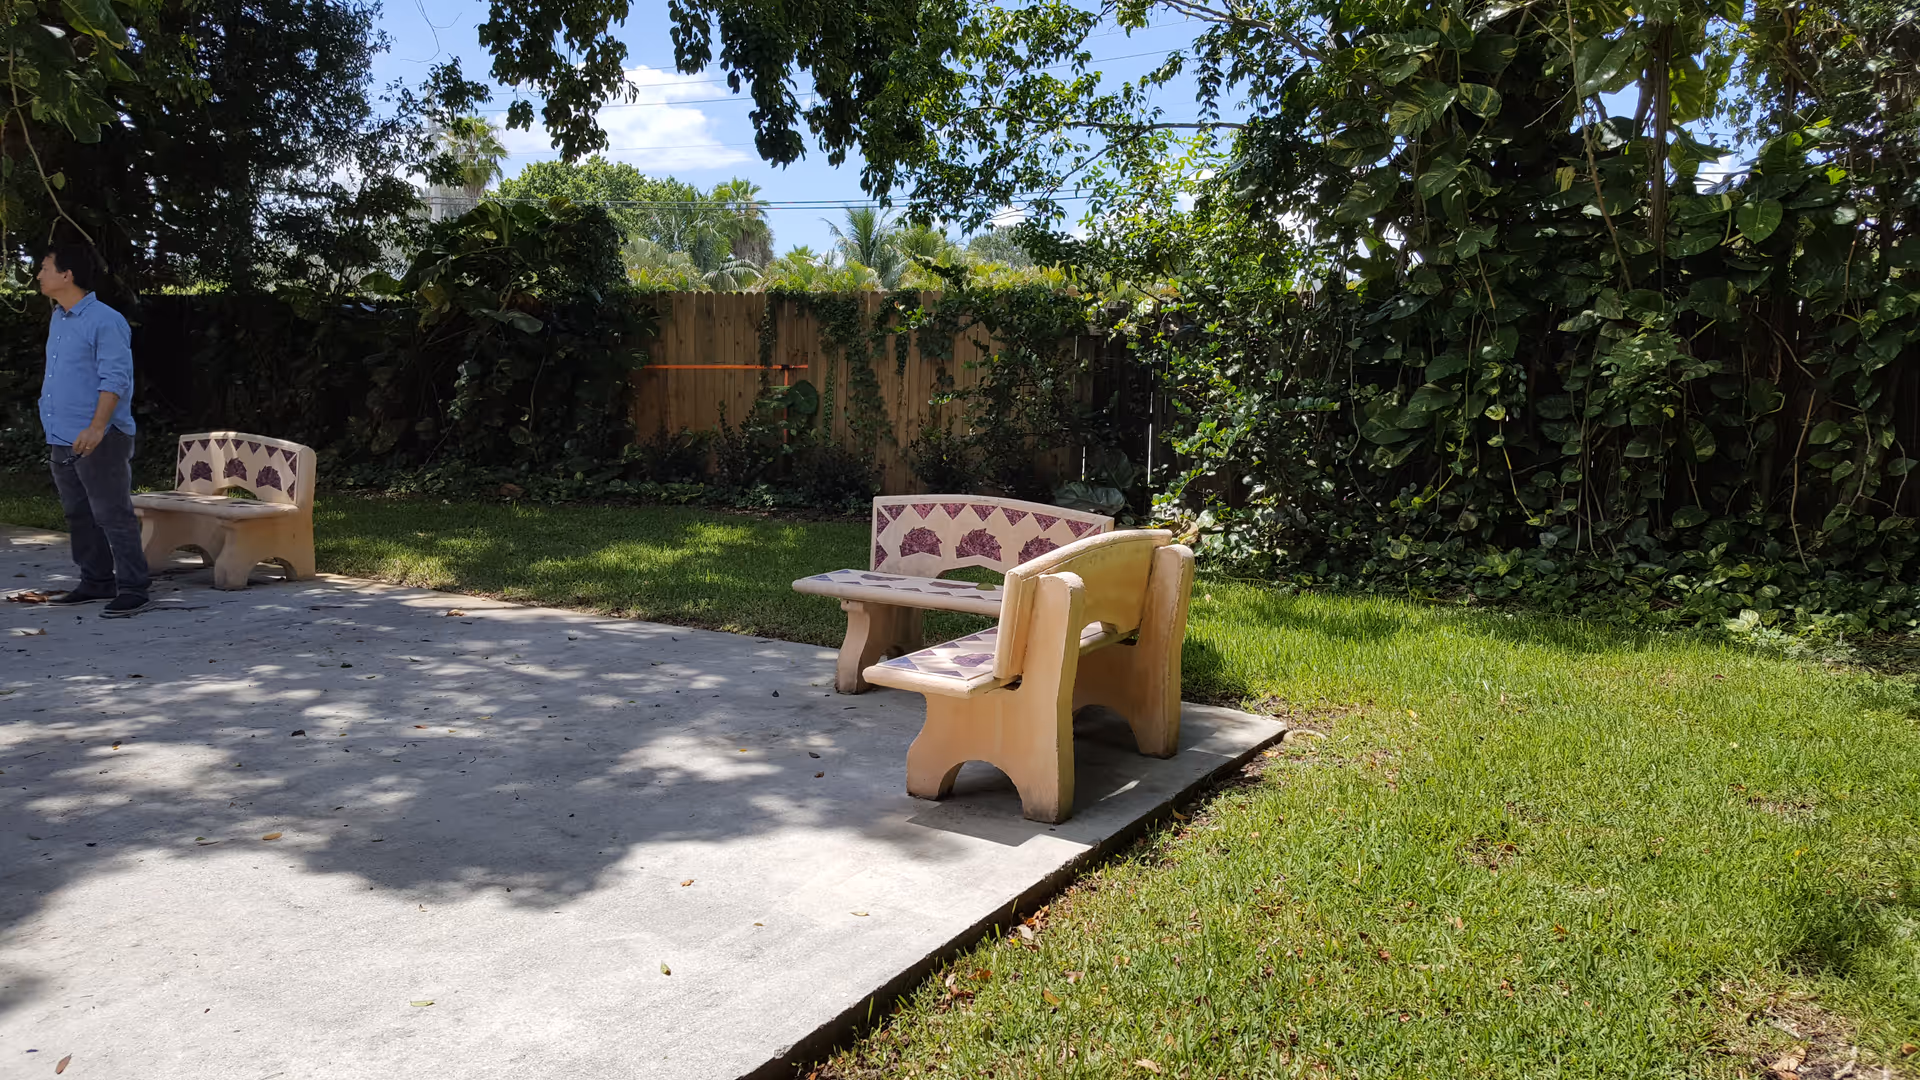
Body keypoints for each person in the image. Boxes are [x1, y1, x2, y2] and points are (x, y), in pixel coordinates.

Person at [37, 244, 151, 617]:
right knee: (78, 513)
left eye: (44, 268)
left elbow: (115, 378)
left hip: (99, 436)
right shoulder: (59, 317)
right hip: (62, 435)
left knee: (112, 512)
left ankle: (134, 586)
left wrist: (97, 427)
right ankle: (96, 580)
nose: (39, 275)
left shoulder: (105, 320)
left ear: (67, 275)